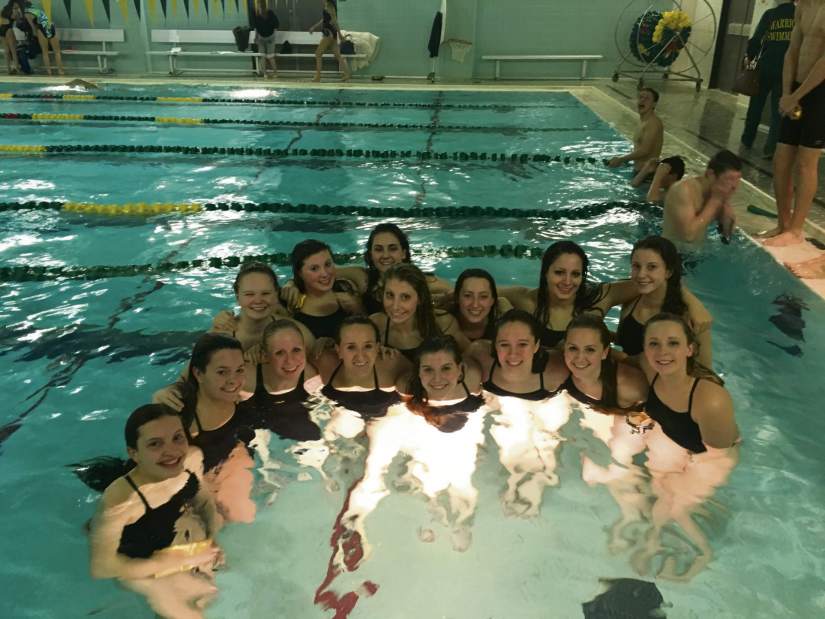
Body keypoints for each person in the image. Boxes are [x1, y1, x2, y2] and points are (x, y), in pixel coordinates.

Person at [330, 336, 486, 571]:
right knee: (376, 468)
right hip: (418, 424)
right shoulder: (406, 388)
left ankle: (459, 515)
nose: (437, 378)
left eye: (446, 368)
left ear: (460, 369)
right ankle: (356, 518)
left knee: (460, 475)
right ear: (419, 373)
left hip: (456, 427)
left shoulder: (472, 383)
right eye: (428, 370)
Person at [88, 404, 223, 619]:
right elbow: (102, 567)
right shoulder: (121, 502)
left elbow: (203, 498)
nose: (172, 451)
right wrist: (173, 562)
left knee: (208, 594)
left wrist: (212, 536)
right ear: (134, 453)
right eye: (155, 444)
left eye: (178, 438)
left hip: (173, 543)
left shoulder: (191, 459)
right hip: (137, 564)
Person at [631, 313, 739, 580]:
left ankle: (704, 553)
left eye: (673, 343)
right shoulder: (649, 367)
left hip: (712, 456)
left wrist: (689, 476)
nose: (662, 352)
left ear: (689, 349)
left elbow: (720, 452)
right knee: (659, 488)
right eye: (654, 343)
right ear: (645, 348)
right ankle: (654, 537)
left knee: (675, 503)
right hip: (675, 441)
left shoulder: (710, 399)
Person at [159, 334, 257, 523]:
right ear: (198, 373)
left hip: (225, 466)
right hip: (191, 485)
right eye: (222, 372)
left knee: (244, 517)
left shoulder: (241, 400)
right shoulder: (183, 420)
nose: (233, 380)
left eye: (239, 370)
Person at [762, 0, 825, 247]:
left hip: (820, 93)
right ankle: (783, 224)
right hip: (796, 91)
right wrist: (786, 93)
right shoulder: (803, 8)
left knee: (806, 163)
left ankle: (797, 229)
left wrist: (795, 97)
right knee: (781, 159)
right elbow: (792, 52)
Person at [499, 241, 636, 348]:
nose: (567, 281)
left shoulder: (598, 298)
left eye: (575, 274)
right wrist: (505, 308)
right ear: (545, 273)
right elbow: (483, 288)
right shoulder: (527, 301)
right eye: (559, 272)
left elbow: (649, 283)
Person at [617, 236, 714, 368]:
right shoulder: (630, 301)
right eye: (636, 266)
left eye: (652, 267)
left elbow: (706, 369)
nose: (641, 274)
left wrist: (618, 357)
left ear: (668, 272)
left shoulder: (690, 316)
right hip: (628, 380)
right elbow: (626, 341)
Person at [211, 262, 314, 363]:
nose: (258, 300)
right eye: (249, 294)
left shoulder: (297, 331)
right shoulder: (219, 337)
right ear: (238, 297)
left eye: (265, 293)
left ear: (276, 295)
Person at [316, 315, 409, 420]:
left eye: (368, 346)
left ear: (377, 348)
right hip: (346, 413)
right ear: (338, 350)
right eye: (351, 347)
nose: (360, 356)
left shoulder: (392, 363)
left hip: (386, 415)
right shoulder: (325, 360)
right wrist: (318, 343)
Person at [371, 263, 470, 360]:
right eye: (390, 295)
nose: (395, 306)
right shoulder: (375, 326)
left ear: (420, 298)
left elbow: (471, 355)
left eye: (405, 297)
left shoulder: (443, 324)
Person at [245, 319, 322, 441]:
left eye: (296, 350)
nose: (289, 361)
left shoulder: (311, 379)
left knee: (314, 436)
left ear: (305, 349)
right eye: (280, 353)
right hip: (257, 421)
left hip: (295, 417)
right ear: (265, 355)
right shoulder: (247, 380)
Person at [467, 309, 567, 401]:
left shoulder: (557, 371)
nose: (513, 354)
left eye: (522, 344)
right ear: (495, 346)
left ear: (536, 346)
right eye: (504, 344)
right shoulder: (479, 357)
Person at [740, 1, 796, 158]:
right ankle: (771, 148)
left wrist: (750, 57)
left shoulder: (770, 14)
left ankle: (747, 139)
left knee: (756, 105)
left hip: (765, 66)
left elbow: (756, 40)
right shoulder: (798, 15)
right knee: (778, 111)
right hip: (786, 70)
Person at [561, 314, 648, 413]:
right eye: (573, 348)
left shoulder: (630, 387)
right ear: (564, 349)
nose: (580, 357)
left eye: (590, 349)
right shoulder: (559, 371)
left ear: (604, 353)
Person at [662, 149, 742, 244]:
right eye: (730, 178)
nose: (734, 186)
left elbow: (726, 239)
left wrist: (726, 212)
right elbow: (688, 236)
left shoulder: (717, 193)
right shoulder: (684, 190)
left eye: (737, 179)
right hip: (670, 254)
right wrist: (715, 201)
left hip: (696, 255)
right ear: (710, 174)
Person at [288, 239, 362, 340]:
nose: (325, 274)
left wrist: (357, 309)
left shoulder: (346, 288)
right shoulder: (292, 306)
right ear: (300, 273)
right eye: (314, 269)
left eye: (327, 264)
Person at [607, 87, 664, 180]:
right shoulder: (643, 121)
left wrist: (621, 159)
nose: (642, 100)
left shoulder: (653, 123)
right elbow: (639, 148)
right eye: (641, 97)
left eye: (647, 98)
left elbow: (645, 151)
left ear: (654, 104)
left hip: (647, 175)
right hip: (639, 172)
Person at [448, 268, 512, 342]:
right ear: (457, 298)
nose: (475, 304)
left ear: (492, 300)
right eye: (468, 295)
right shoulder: (443, 322)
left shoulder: (503, 321)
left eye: (483, 296)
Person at [9, 0, 63, 75]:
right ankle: (61, 71)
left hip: (41, 29)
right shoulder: (37, 9)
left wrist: (35, 38)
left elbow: (33, 29)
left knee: (45, 52)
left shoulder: (26, 14)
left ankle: (49, 72)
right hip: (50, 26)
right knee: (57, 52)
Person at [308, 0, 350, 82]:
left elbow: (334, 21)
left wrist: (340, 35)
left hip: (329, 33)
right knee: (338, 55)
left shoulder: (330, 7)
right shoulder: (327, 6)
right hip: (331, 33)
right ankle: (347, 74)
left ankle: (318, 77)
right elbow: (324, 19)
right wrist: (314, 27)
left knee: (318, 54)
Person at [252, 0, 278, 78]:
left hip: (270, 37)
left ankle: (275, 73)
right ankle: (265, 73)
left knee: (270, 56)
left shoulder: (270, 13)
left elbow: (276, 26)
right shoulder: (256, 15)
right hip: (261, 38)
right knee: (262, 56)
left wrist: (273, 36)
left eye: (259, 6)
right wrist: (256, 37)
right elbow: (256, 27)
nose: (258, 8)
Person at [1, 4, 19, 74]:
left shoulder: (3, 9)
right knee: (13, 50)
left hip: (1, 29)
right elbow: (16, 19)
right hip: (9, 28)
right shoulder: (15, 8)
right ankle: (16, 68)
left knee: (6, 50)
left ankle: (8, 69)